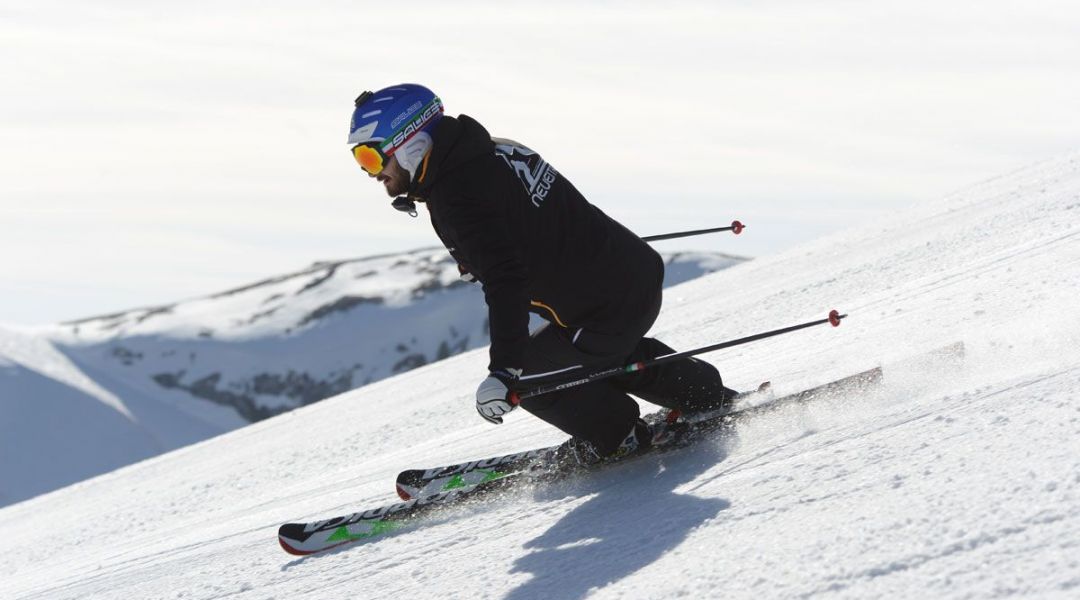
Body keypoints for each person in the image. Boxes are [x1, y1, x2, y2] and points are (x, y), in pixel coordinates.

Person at [347, 84, 736, 466]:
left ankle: (619, 436)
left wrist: (504, 371)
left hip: (603, 308)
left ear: (410, 143)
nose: (371, 174)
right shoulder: (492, 148)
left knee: (530, 379)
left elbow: (506, 282)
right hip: (633, 273)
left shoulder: (456, 194)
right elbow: (542, 214)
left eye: (371, 158)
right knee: (594, 350)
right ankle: (702, 395)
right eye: (361, 162)